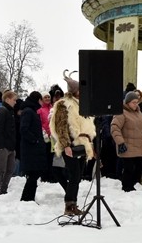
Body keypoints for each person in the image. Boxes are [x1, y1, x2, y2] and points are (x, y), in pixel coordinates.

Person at [51, 71, 97, 215]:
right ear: (75, 91)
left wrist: (89, 144)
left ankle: (73, 204)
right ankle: (69, 205)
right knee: (74, 175)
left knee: (77, 176)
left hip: (83, 144)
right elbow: (61, 127)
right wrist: (66, 146)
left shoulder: (81, 104)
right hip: (71, 144)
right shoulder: (64, 105)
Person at [111, 90, 142, 192]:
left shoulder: (139, 113)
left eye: (137, 102)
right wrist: (120, 142)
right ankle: (127, 186)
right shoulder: (121, 113)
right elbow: (115, 128)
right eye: (133, 102)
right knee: (129, 168)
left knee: (141, 166)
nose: (136, 104)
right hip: (127, 145)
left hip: (139, 145)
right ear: (127, 102)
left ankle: (131, 184)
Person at [19, 91, 48, 202]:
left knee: (34, 175)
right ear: (37, 100)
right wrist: (34, 139)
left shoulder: (32, 111)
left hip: (33, 149)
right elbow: (24, 129)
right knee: (32, 175)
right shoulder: (28, 112)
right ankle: (26, 199)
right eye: (41, 100)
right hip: (31, 150)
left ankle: (29, 198)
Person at [0, 90, 17, 197]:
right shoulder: (1, 111)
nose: (15, 102)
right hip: (2, 146)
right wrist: (1, 145)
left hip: (10, 146)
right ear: (7, 99)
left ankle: (3, 190)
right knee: (0, 169)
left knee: (10, 169)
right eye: (14, 100)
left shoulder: (10, 111)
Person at [37, 92, 53, 182]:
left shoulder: (53, 109)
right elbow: (39, 123)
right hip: (44, 137)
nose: (47, 98)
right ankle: (44, 177)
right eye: (45, 97)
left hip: (53, 137)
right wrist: (43, 132)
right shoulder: (40, 110)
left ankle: (51, 176)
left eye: (48, 97)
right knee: (45, 157)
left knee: (51, 157)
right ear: (42, 99)